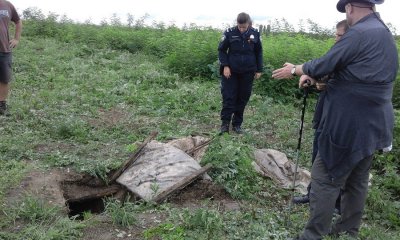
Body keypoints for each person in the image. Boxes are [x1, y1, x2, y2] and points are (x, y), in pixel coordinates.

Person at [272, 0, 398, 239]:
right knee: (357, 181)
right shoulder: (383, 33)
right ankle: (348, 230)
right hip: (374, 123)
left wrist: (296, 69)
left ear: (350, 7)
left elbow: (326, 62)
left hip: (349, 123)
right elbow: (355, 72)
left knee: (324, 177)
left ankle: (312, 236)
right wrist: (319, 78)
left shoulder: (359, 33)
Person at [292, 19, 349, 206]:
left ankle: (336, 203)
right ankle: (312, 194)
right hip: (325, 111)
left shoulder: (352, 57)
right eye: (336, 34)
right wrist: (313, 79)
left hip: (340, 117)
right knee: (317, 153)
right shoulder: (336, 52)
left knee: (336, 161)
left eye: (339, 35)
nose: (336, 38)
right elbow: (325, 74)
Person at [218, 12, 263, 134]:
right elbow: (221, 50)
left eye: (244, 27)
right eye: (239, 26)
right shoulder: (229, 33)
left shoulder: (255, 33)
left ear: (249, 23)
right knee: (228, 97)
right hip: (231, 72)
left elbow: (259, 52)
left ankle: (237, 124)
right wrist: (225, 66)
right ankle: (225, 124)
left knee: (243, 98)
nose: (241, 29)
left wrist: (259, 69)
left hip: (248, 72)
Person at [0, 0, 22, 116]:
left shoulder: (7, 5)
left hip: (4, 49)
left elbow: (18, 21)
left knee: (4, 79)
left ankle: (1, 105)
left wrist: (16, 39)